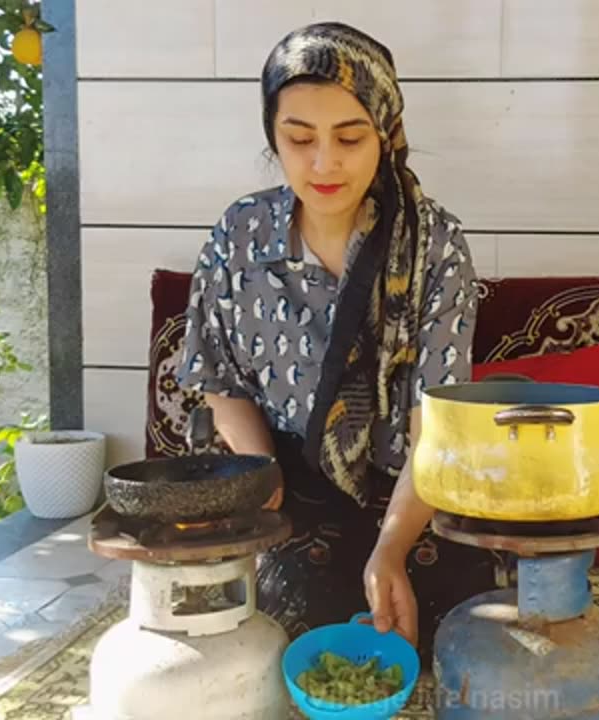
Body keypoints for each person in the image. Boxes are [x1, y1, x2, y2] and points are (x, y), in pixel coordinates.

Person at [175, 21, 509, 660]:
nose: (324, 163)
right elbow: (220, 379)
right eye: (298, 139)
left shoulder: (433, 245)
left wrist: (391, 547)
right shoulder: (239, 238)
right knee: (287, 631)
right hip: (294, 494)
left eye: (350, 138)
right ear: (272, 138)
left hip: (420, 492)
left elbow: (436, 429)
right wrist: (261, 469)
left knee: (462, 635)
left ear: (385, 135)